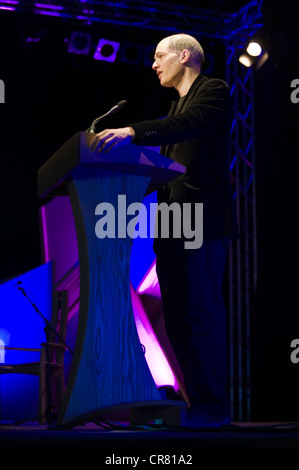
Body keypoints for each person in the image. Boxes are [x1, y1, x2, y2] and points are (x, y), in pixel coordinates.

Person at [90, 33, 239, 428]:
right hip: (173, 224)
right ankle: (199, 405)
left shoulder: (214, 91)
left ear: (184, 55)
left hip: (202, 221)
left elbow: (185, 125)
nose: (153, 64)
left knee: (200, 312)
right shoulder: (175, 103)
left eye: (159, 56)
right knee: (175, 317)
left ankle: (214, 408)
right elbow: (166, 170)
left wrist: (132, 132)